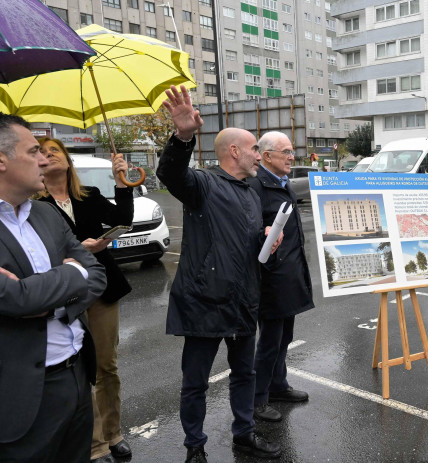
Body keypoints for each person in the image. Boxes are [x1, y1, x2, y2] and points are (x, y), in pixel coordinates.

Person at [156, 85, 283, 462]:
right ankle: (195, 446)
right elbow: (171, 173)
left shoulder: (250, 191)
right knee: (195, 382)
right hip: (203, 303)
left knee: (245, 375)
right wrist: (183, 136)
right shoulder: (203, 184)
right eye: (255, 149)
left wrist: (267, 244)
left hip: (244, 300)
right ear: (234, 151)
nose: (259, 155)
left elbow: (247, 247)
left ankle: (244, 434)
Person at [0, 113, 107, 462]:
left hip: (75, 376)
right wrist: (70, 278)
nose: (45, 159)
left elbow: (96, 275)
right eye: (33, 152)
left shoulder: (45, 214)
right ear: (2, 161)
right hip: (20, 395)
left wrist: (45, 299)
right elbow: (13, 298)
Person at [35, 137, 134, 463]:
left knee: (107, 366)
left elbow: (123, 218)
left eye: (54, 150)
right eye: (42, 152)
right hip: (65, 294)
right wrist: (81, 251)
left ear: (67, 159)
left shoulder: (88, 194)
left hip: (102, 287)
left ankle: (113, 433)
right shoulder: (35, 204)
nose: (48, 156)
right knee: (80, 371)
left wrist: (123, 181)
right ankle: (95, 446)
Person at [247, 131, 314, 423]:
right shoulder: (256, 186)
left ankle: (278, 385)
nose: (291, 157)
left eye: (292, 151)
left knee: (285, 336)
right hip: (270, 278)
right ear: (266, 155)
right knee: (270, 340)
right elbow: (250, 232)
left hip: (289, 273)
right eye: (285, 152)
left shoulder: (281, 183)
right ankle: (258, 399)